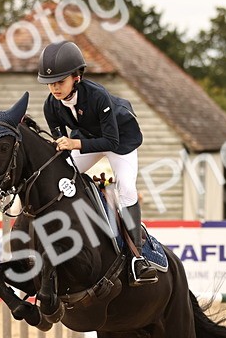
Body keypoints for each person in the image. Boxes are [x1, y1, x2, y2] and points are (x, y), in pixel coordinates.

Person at [37, 40, 157, 285]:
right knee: (62, 175)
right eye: (50, 83)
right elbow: (62, 147)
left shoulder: (97, 96)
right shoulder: (51, 105)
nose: (54, 89)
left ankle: (138, 258)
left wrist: (74, 144)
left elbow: (110, 142)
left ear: (76, 77)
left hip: (120, 140)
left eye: (60, 82)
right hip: (88, 139)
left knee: (126, 188)